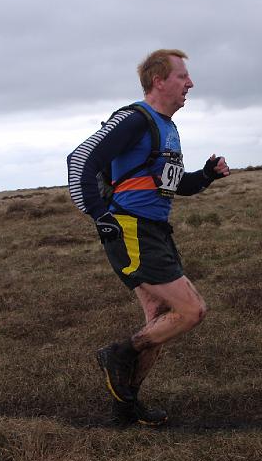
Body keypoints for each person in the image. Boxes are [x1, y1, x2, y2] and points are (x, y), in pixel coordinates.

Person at [67, 49, 230, 426]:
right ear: (159, 81)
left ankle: (125, 409)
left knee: (158, 318)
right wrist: (99, 215)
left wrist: (206, 176)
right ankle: (119, 353)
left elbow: (172, 186)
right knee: (191, 311)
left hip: (154, 228)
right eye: (182, 77)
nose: (190, 84)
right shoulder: (135, 120)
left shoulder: (167, 127)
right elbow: (80, 160)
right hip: (131, 228)